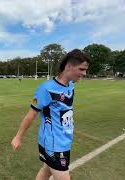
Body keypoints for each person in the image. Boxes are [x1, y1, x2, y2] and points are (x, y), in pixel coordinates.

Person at [11, 49, 90, 180]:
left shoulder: (70, 85)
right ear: (68, 67)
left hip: (64, 140)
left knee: (46, 169)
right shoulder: (46, 89)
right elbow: (31, 114)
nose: (84, 73)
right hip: (53, 144)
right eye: (81, 69)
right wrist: (18, 137)